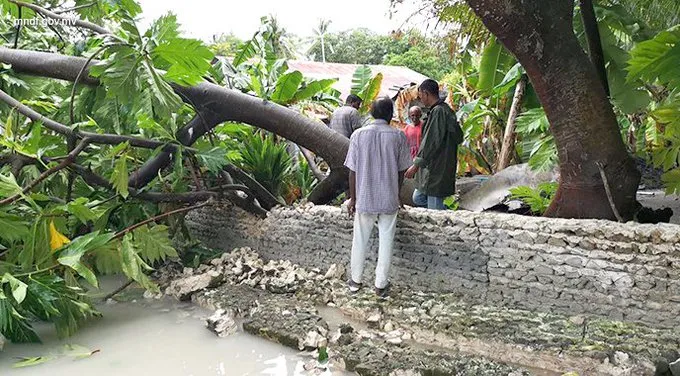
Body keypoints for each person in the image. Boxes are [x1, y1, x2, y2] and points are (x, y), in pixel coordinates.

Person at [344, 96, 412, 298]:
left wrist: (353, 199)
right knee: (386, 241)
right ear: (391, 114)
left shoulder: (358, 135)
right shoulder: (398, 136)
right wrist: (397, 194)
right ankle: (380, 285)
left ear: (371, 113)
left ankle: (355, 281)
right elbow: (401, 171)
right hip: (389, 199)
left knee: (360, 240)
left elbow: (352, 171)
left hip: (365, 197)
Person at [405, 79, 463, 210]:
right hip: (438, 167)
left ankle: (443, 216)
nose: (421, 100)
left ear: (426, 93)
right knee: (418, 197)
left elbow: (430, 142)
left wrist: (416, 165)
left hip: (437, 168)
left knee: (434, 209)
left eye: (420, 96)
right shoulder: (445, 110)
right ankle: (445, 210)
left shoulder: (438, 112)